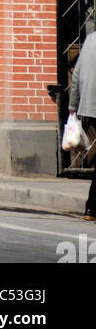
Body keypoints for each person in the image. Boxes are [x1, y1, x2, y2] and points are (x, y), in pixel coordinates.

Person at [69, 27, 96, 220]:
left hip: (90, 107)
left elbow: (76, 74)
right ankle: (92, 207)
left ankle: (91, 208)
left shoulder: (90, 40)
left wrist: (73, 105)